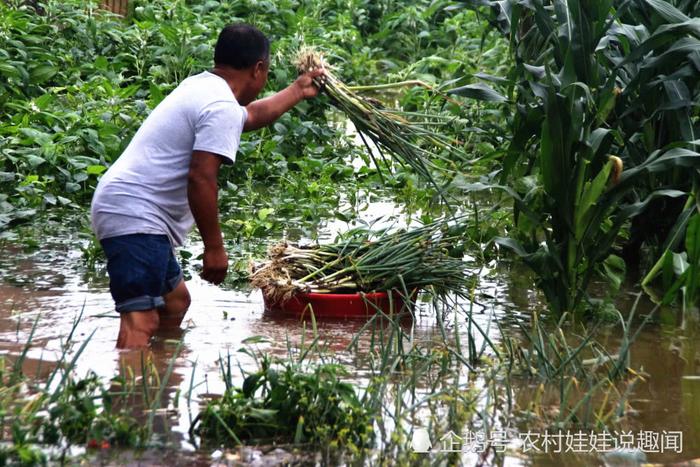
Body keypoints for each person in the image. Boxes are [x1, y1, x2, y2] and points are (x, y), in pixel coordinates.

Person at [90, 24, 324, 349]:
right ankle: (131, 395)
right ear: (258, 68)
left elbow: (251, 116)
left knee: (175, 303)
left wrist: (298, 90)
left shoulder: (203, 88)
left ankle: (159, 383)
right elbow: (201, 177)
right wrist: (215, 247)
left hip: (129, 209)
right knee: (141, 319)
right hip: (135, 214)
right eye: (267, 72)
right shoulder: (220, 106)